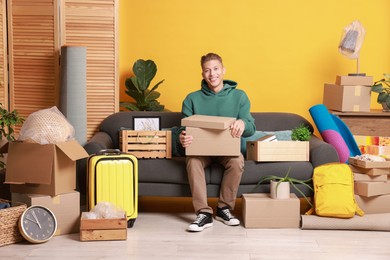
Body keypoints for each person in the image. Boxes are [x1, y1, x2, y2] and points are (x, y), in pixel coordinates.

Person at [178, 53, 256, 232]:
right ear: (202, 74)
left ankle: (224, 209)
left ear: (223, 70)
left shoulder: (239, 96)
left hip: (227, 151)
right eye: (207, 70)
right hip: (201, 152)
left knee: (237, 160)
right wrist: (181, 138)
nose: (212, 74)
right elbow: (183, 128)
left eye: (215, 69)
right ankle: (204, 213)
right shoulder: (191, 98)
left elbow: (251, 127)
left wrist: (243, 123)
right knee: (192, 161)